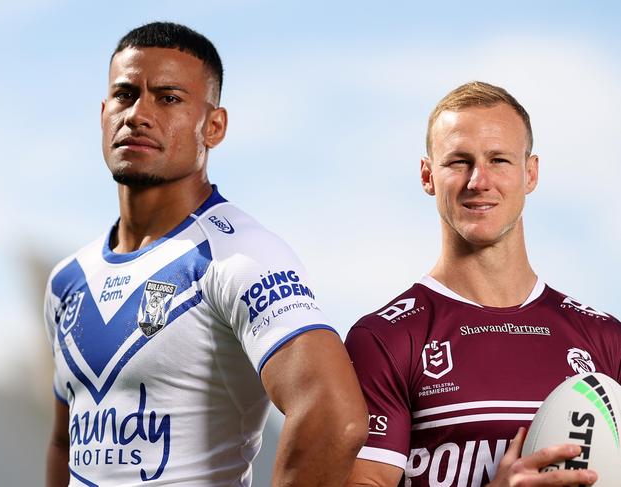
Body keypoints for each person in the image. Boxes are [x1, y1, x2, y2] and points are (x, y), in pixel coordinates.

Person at [44, 22, 367, 487]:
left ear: (213, 127)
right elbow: (63, 443)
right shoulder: (67, 280)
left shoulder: (240, 254)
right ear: (102, 113)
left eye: (168, 98)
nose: (138, 114)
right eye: (124, 94)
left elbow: (334, 415)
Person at [344, 81, 621, 487]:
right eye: (459, 161)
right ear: (427, 175)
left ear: (530, 173)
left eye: (499, 161)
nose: (479, 180)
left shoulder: (604, 337)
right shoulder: (386, 338)